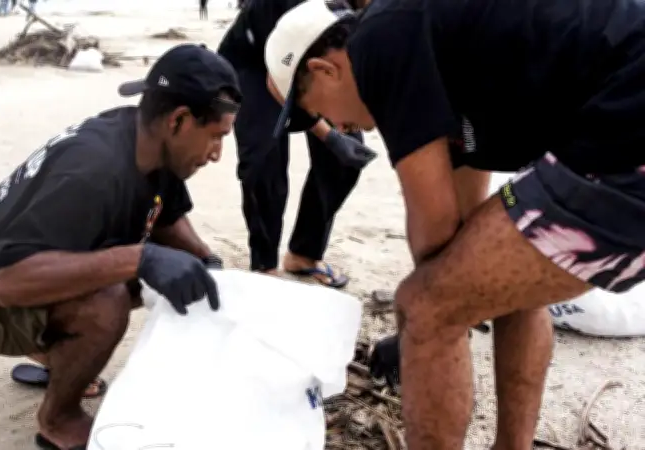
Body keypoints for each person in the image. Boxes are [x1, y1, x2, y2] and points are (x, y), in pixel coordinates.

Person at [264, 0, 645, 448]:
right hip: (617, 110)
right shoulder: (443, 57)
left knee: (425, 307)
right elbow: (464, 232)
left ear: (325, 70)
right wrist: (451, 286)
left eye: (310, 112)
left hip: (626, 115)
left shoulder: (378, 42)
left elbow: (435, 228)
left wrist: (418, 326)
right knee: (507, 283)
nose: (334, 126)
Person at [0, 44, 240, 450]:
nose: (217, 154)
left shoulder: (149, 142)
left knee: (170, 274)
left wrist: (205, 260)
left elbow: (166, 215)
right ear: (178, 120)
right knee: (107, 299)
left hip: (24, 274)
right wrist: (139, 258)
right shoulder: (92, 169)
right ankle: (58, 419)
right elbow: (13, 284)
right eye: (216, 137)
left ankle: (61, 355)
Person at [216, 0, 376, 289]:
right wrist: (328, 134)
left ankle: (304, 253)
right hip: (256, 63)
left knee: (343, 159)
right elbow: (279, 81)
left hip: (313, 56)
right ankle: (264, 266)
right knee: (264, 156)